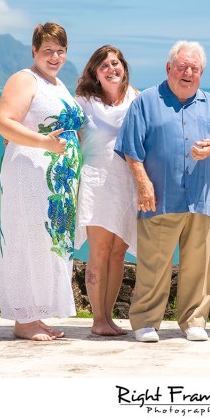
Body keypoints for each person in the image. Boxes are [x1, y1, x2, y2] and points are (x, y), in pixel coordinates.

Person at [115, 41, 210, 343]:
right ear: (169, 68)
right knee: (153, 265)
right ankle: (145, 321)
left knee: (199, 266)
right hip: (160, 198)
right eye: (183, 66)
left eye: (195, 69)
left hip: (200, 199)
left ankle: (194, 320)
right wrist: (143, 184)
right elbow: (131, 148)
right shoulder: (145, 101)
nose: (188, 73)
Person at [0, 22, 84, 341]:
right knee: (27, 241)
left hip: (55, 183)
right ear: (34, 50)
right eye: (48, 50)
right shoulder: (24, 79)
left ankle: (36, 313)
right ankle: (23, 319)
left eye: (60, 51)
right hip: (29, 174)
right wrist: (44, 143)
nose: (55, 56)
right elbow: (3, 123)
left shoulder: (58, 85)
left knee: (46, 244)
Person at [74, 45, 139, 337]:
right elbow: (58, 126)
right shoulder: (83, 102)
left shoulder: (137, 98)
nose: (112, 69)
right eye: (104, 66)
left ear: (123, 66)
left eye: (116, 63)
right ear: (95, 73)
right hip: (96, 181)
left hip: (127, 182)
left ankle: (109, 316)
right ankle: (98, 318)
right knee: (99, 251)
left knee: (119, 251)